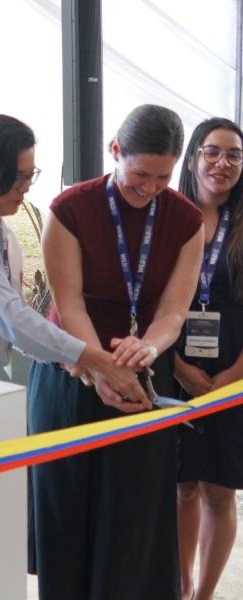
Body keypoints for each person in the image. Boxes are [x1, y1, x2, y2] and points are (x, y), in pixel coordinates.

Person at [28, 104, 205, 599]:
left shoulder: (186, 219)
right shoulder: (70, 209)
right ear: (115, 151)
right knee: (68, 511)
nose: (150, 189)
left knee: (135, 517)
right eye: (140, 175)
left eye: (163, 178)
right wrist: (101, 367)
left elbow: (173, 312)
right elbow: (70, 304)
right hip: (71, 371)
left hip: (141, 374)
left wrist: (147, 347)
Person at [0, 114, 147, 402]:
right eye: (18, 177)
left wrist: (69, 359)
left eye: (30, 175)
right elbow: (9, 317)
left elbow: (13, 319)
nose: (26, 187)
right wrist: (100, 361)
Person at [173, 118, 243, 600]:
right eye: (213, 151)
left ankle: (204, 595)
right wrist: (176, 366)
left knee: (220, 488)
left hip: (234, 366)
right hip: (174, 359)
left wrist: (236, 375)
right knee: (181, 484)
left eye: (234, 155)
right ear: (194, 156)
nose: (223, 163)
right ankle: (180, 588)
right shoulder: (169, 215)